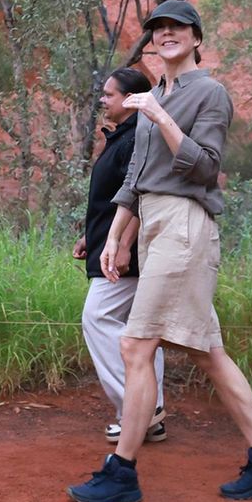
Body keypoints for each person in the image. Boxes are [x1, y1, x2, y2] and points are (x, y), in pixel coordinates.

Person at [66, 0, 252, 502]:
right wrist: (116, 235)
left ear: (196, 37)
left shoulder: (208, 93)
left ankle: (122, 470)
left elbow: (204, 166)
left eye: (177, 28)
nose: (166, 34)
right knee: (204, 350)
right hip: (153, 225)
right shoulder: (158, 93)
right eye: (158, 29)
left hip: (186, 224)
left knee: (135, 346)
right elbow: (136, 179)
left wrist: (158, 116)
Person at [74, 67, 169, 446]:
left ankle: (137, 410)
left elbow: (141, 196)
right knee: (140, 330)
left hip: (125, 254)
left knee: (97, 317)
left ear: (130, 100)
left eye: (109, 94)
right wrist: (91, 236)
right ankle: (152, 412)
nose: (103, 100)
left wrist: (125, 244)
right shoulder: (124, 138)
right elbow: (113, 199)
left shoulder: (136, 140)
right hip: (108, 246)